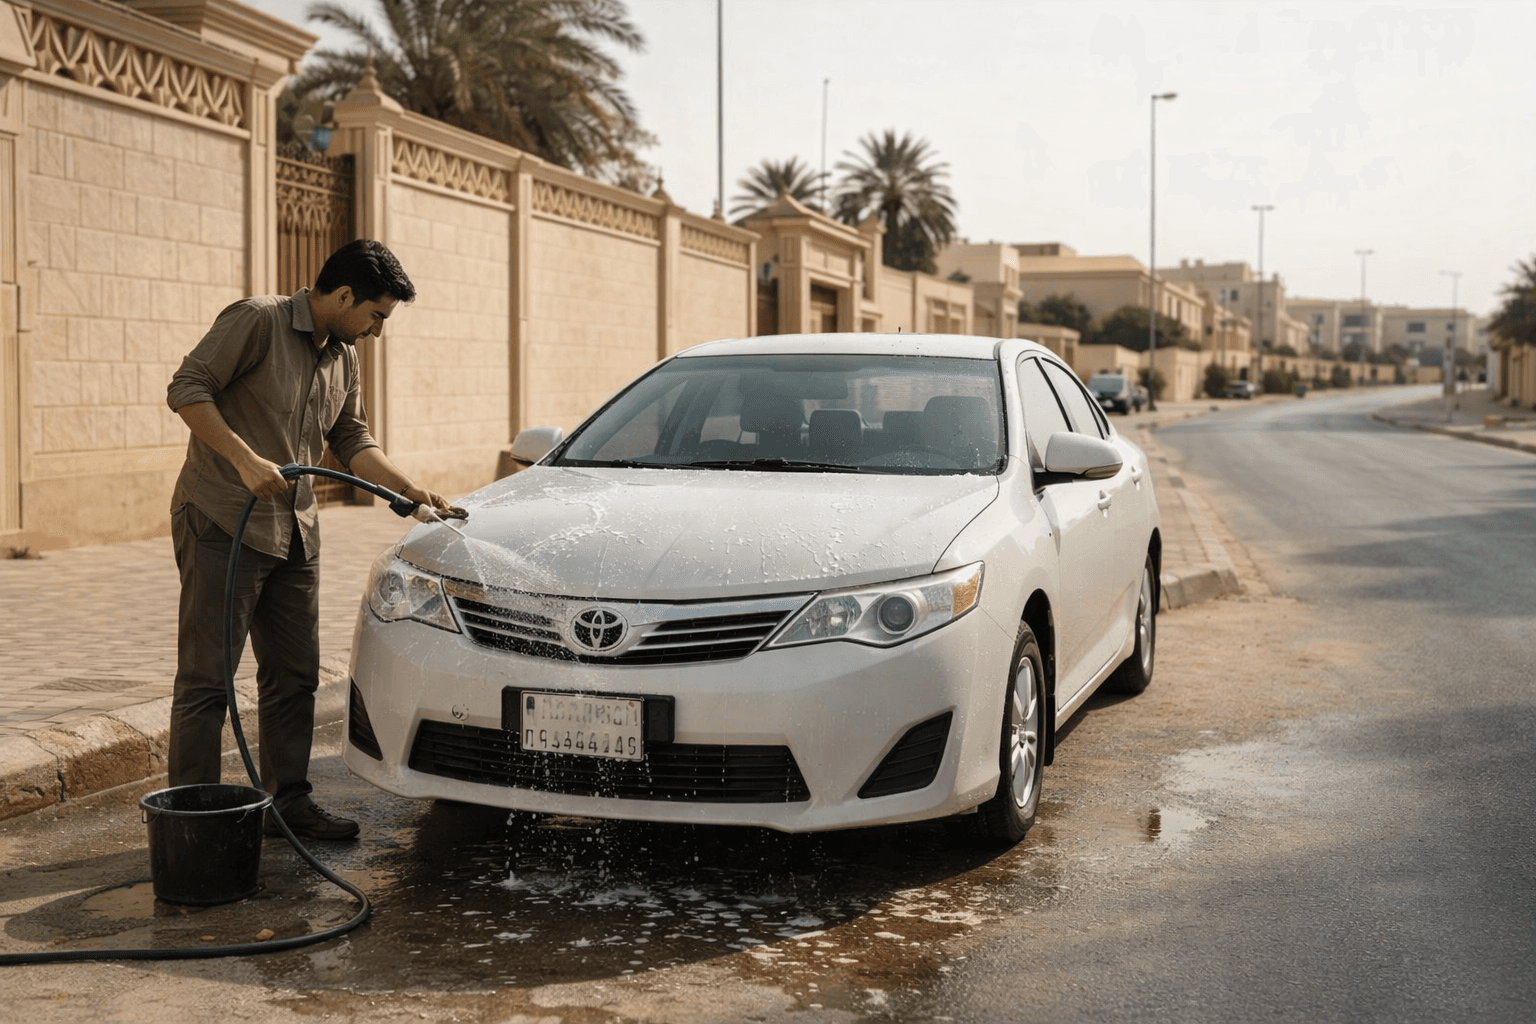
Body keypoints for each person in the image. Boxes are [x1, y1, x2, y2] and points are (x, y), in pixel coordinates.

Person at [165, 239, 454, 840]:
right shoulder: (258, 320)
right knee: (207, 680)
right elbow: (187, 388)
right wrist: (245, 461)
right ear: (345, 295)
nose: (377, 331)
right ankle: (191, 825)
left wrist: (409, 490)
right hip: (223, 521)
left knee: (294, 676)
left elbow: (352, 439)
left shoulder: (343, 355)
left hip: (295, 531)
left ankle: (286, 804)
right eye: (376, 315)